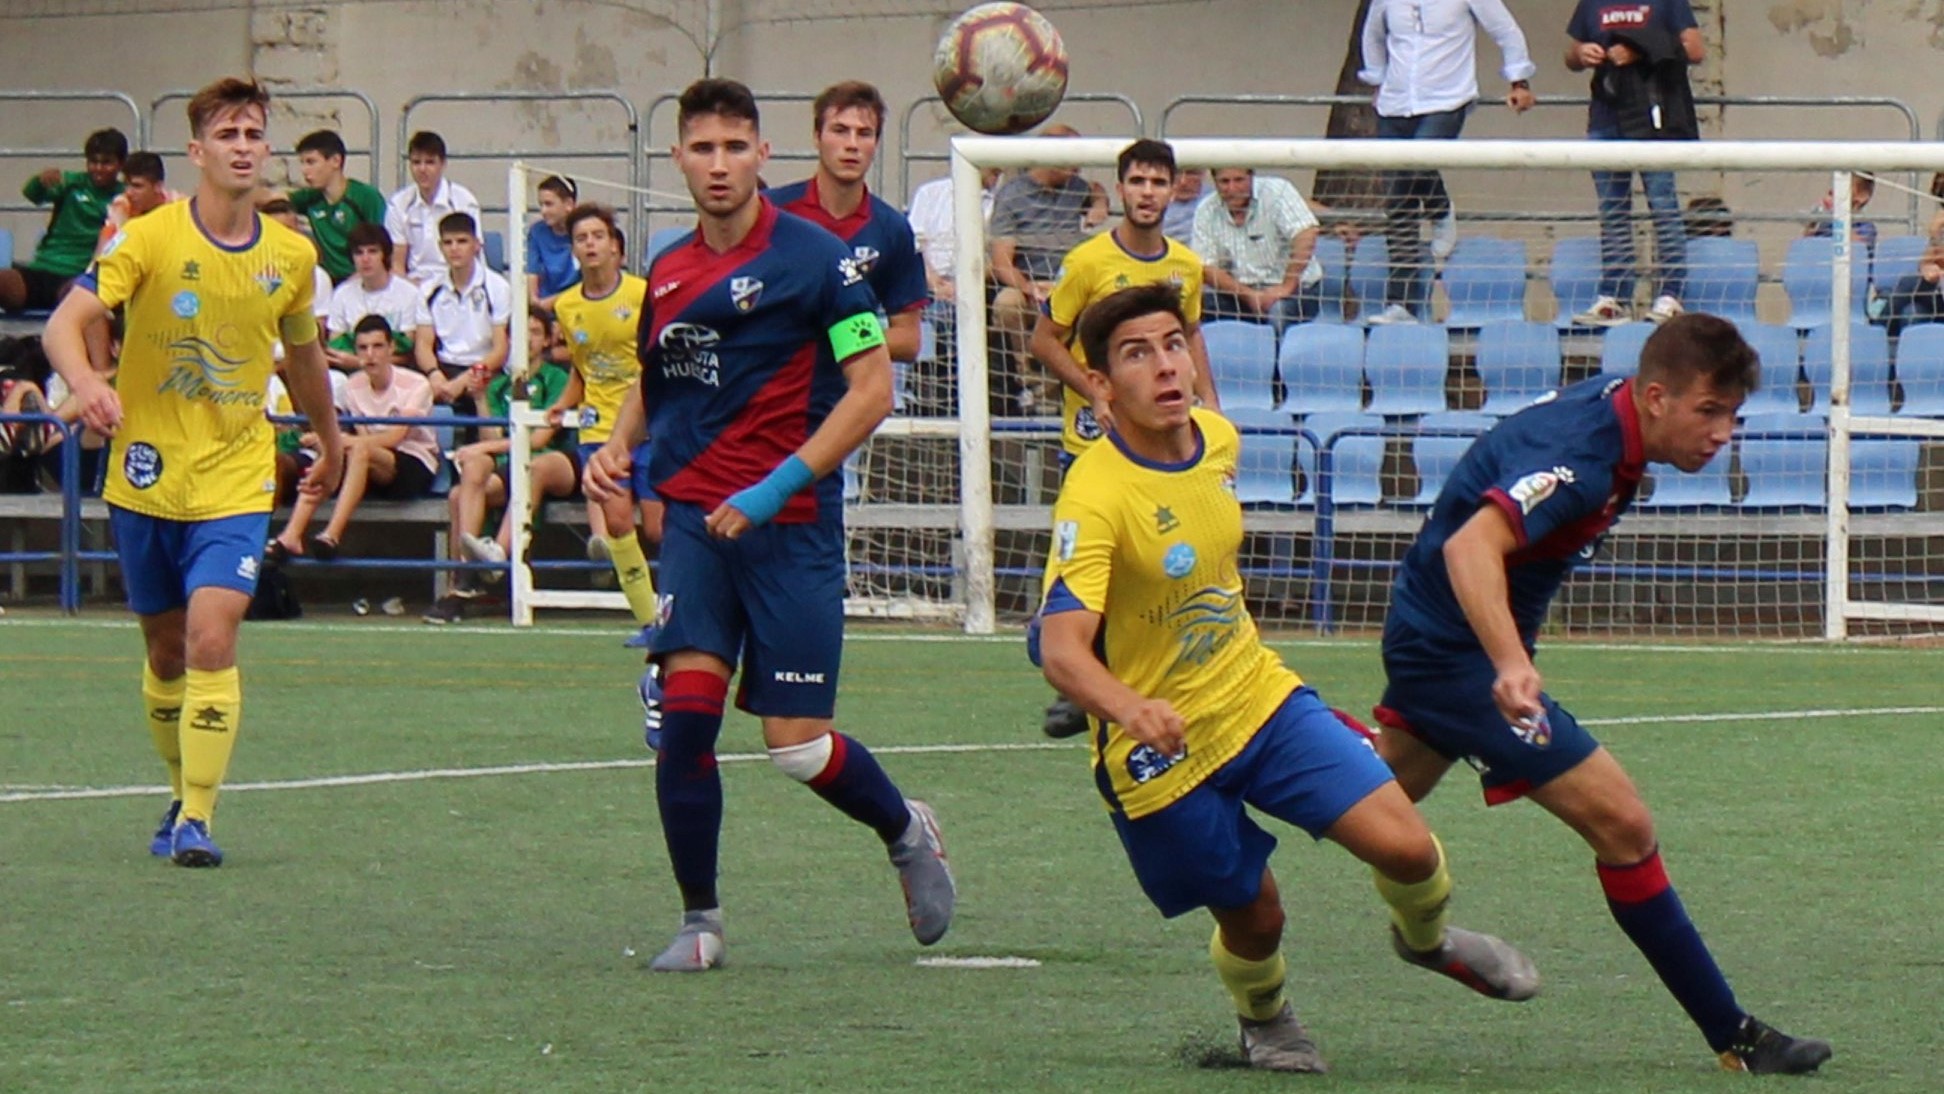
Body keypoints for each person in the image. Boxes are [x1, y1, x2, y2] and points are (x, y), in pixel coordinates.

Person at [1037, 282, 1538, 1073]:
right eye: (1137, 354)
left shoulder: (1217, 439)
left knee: (1407, 848)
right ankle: (1264, 1020)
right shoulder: (1096, 495)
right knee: (1258, 916)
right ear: (1098, 384)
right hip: (1159, 754)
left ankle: (1428, 942)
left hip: (1257, 697)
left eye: (1174, 344)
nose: (1167, 366)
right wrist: (1129, 706)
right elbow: (1059, 649)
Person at [1371, 314, 1831, 1074]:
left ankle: (1226, 754)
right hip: (1457, 658)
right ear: (1654, 397)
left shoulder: (1617, 424)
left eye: (1733, 416)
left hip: (1443, 640)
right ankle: (1736, 1038)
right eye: (1708, 412)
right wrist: (1509, 663)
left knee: (1367, 799)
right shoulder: (1584, 457)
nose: (1723, 434)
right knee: (1624, 824)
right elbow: (1470, 545)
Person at [585, 78, 954, 971]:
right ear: (677, 159)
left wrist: (771, 487)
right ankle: (700, 921)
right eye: (703, 149)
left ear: (763, 156)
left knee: (795, 745)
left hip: (789, 526)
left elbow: (872, 392)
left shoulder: (818, 260)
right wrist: (614, 445)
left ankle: (906, 830)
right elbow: (656, 373)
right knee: (684, 722)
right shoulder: (667, 270)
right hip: (696, 535)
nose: (719, 165)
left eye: (735, 149)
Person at [40, 77, 344, 867]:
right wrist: (91, 383)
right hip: (144, 472)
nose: (244, 146)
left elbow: (304, 356)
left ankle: (199, 820)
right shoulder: (148, 238)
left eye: (255, 133)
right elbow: (63, 326)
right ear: (197, 151)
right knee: (166, 652)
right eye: (229, 133)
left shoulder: (292, 256)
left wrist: (330, 439)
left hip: (236, 476)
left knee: (215, 636)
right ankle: (180, 789)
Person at [1029, 139, 1220, 741]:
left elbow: (1188, 335)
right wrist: (1095, 390)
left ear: (1173, 190)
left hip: (1162, 444)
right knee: (1090, 567)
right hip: (1092, 441)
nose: (1147, 193)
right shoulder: (1087, 263)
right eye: (1136, 181)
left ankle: (1135, 676)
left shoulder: (1185, 267)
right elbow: (1044, 339)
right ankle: (1069, 677)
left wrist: (1208, 402)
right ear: (1120, 190)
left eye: (1158, 183)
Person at [464, 204, 660, 646]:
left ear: (616, 246)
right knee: (616, 522)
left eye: (597, 236)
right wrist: (563, 404)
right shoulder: (568, 306)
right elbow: (580, 369)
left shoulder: (642, 295)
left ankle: (680, 613)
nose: (590, 244)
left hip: (651, 427)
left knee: (658, 529)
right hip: (599, 428)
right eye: (581, 238)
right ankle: (651, 624)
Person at [1360, 0, 1536, 324]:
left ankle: (1439, 210)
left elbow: (1506, 30)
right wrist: (1377, 79)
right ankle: (1401, 304)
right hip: (1395, 103)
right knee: (1398, 201)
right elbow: (1372, 35)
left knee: (1416, 167)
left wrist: (1519, 82)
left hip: (1447, 99)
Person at [424, 310, 572, 624]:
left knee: (526, 465)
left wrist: (483, 447)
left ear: (547, 339)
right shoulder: (501, 383)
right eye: (521, 332)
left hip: (551, 462)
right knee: (460, 489)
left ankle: (490, 560)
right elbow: (493, 436)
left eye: (534, 332)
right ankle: (463, 582)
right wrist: (479, 399)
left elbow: (540, 437)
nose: (527, 339)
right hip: (508, 468)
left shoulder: (558, 377)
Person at [770, 80, 930, 364]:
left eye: (864, 134)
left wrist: (833, 339)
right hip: (773, 386)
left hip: (850, 390)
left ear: (876, 144)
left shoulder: (892, 229)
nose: (852, 145)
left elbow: (908, 340)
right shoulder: (771, 212)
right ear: (817, 137)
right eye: (840, 131)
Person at [1566, 0, 1703, 327]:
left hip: (1654, 117)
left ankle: (1671, 294)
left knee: (1663, 205)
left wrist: (1640, 51)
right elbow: (1569, 56)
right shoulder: (1592, 3)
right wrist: (1582, 53)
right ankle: (1613, 297)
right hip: (1605, 118)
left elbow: (1695, 49)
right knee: (1612, 209)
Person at [268, 315, 437, 561]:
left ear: (391, 349)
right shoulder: (353, 385)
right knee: (328, 456)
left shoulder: (417, 384)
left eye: (377, 347)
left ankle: (332, 535)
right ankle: (291, 535)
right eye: (363, 348)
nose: (370, 355)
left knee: (349, 449)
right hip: (370, 460)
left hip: (414, 461)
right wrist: (333, 445)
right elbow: (362, 435)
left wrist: (338, 441)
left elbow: (396, 436)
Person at [989, 125, 1099, 414]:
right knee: (1006, 303)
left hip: (1070, 283)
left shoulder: (1076, 187)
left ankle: (1056, 388)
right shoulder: (1013, 195)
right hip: (1030, 284)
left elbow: (1097, 191)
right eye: (1071, 159)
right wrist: (1030, 288)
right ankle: (1029, 375)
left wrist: (1099, 205)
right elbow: (1001, 261)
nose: (1078, 167)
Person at [0, 127, 126, 314]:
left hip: (79, 277)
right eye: (93, 162)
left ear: (121, 164)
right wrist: (40, 181)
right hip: (40, 271)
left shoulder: (125, 197)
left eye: (106, 163)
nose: (98, 168)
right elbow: (32, 195)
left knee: (83, 297)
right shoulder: (71, 183)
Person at [1193, 168, 1323, 334]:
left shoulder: (1277, 191)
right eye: (1224, 182)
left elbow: (1306, 233)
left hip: (1297, 290)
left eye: (1239, 180)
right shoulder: (1206, 209)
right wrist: (1249, 295)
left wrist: (1287, 286)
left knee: (1278, 312)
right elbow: (1207, 268)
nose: (1232, 188)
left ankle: (1276, 358)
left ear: (1251, 176)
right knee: (1196, 306)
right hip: (1242, 292)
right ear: (1214, 182)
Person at [412, 212, 512, 413]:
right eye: (448, 243)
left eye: (462, 241)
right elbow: (423, 344)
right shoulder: (428, 289)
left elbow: (500, 349)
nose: (454, 249)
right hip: (444, 367)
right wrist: (434, 374)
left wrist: (464, 380)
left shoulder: (498, 287)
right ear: (440, 248)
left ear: (476, 245)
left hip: (485, 369)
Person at [289, 129, 388, 284]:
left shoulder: (366, 197)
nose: (304, 171)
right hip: (327, 281)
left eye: (311, 162)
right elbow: (272, 200)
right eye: (302, 163)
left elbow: (384, 245)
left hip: (362, 279)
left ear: (336, 161)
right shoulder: (310, 197)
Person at [386, 130, 483, 287]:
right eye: (416, 162)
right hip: (413, 284)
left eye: (430, 162)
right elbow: (397, 264)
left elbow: (473, 256)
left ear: (443, 164)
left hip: (455, 281)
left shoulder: (464, 201)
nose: (422, 169)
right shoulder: (398, 203)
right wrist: (408, 287)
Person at [324, 223, 427, 368]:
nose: (365, 259)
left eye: (372, 251)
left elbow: (405, 352)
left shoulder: (409, 293)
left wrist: (360, 361)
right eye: (359, 253)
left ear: (385, 255)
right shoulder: (342, 294)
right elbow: (335, 346)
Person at [96, 152, 185, 255]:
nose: (128, 192)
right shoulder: (122, 205)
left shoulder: (180, 206)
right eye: (126, 185)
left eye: (137, 186)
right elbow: (103, 253)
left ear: (158, 186)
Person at [525, 175, 581, 311]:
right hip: (542, 308)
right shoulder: (537, 232)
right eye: (541, 205)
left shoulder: (583, 231)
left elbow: (588, 284)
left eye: (549, 204)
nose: (543, 211)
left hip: (576, 305)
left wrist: (552, 302)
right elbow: (532, 272)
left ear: (568, 204)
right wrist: (534, 301)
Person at [1802, 172, 1877, 252]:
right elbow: (1807, 245)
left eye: (1838, 193)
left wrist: (1839, 220)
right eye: (1830, 194)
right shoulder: (1823, 224)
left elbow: (1859, 246)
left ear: (1861, 196)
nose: (1829, 199)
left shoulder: (1864, 225)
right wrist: (1812, 225)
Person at [1160, 166, 1204, 244]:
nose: (1183, 182)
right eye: (1177, 172)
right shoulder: (1153, 201)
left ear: (1202, 174)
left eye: (1191, 173)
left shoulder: (1215, 202)